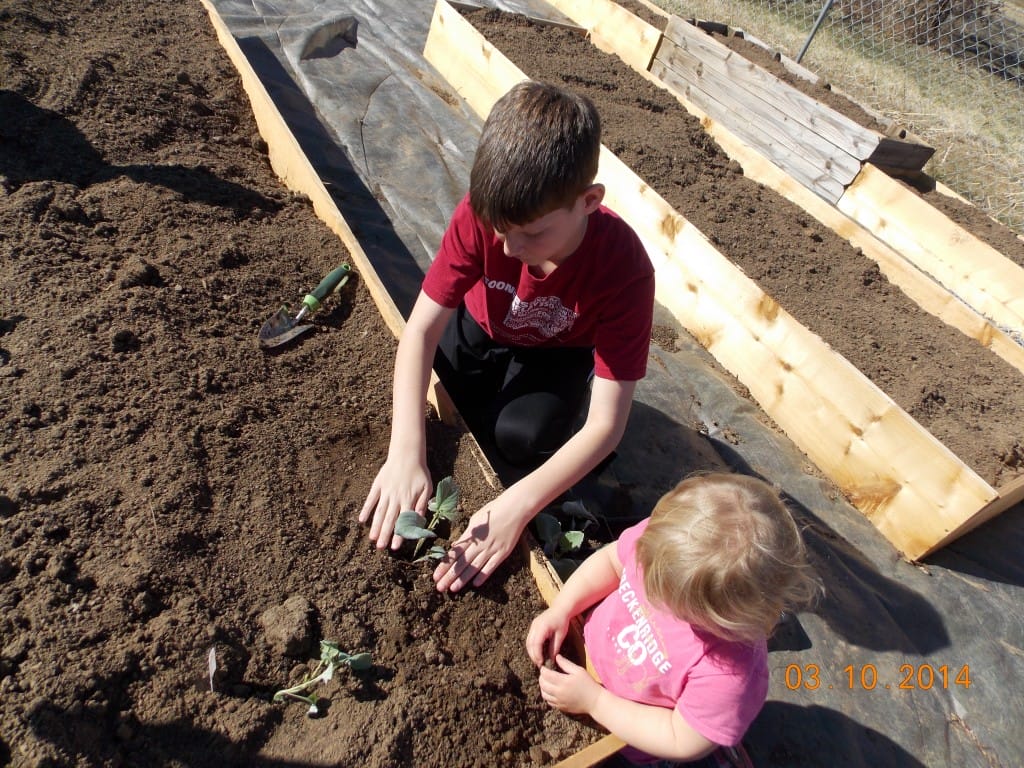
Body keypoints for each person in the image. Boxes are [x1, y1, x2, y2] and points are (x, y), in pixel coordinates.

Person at [358, 81, 656, 593]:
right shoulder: (479, 215)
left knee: (521, 440)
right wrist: (406, 450)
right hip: (481, 327)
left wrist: (516, 504)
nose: (512, 246)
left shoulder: (623, 268)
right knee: (447, 393)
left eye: (533, 233)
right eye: (499, 229)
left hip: (558, 353)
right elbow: (421, 329)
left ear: (588, 202)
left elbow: (607, 425)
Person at [526, 472, 821, 766]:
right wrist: (562, 609)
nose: (652, 597)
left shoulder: (730, 673)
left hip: (628, 738)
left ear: (728, 619)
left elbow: (680, 737)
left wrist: (596, 702)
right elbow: (612, 562)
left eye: (673, 606)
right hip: (583, 654)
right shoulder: (666, 545)